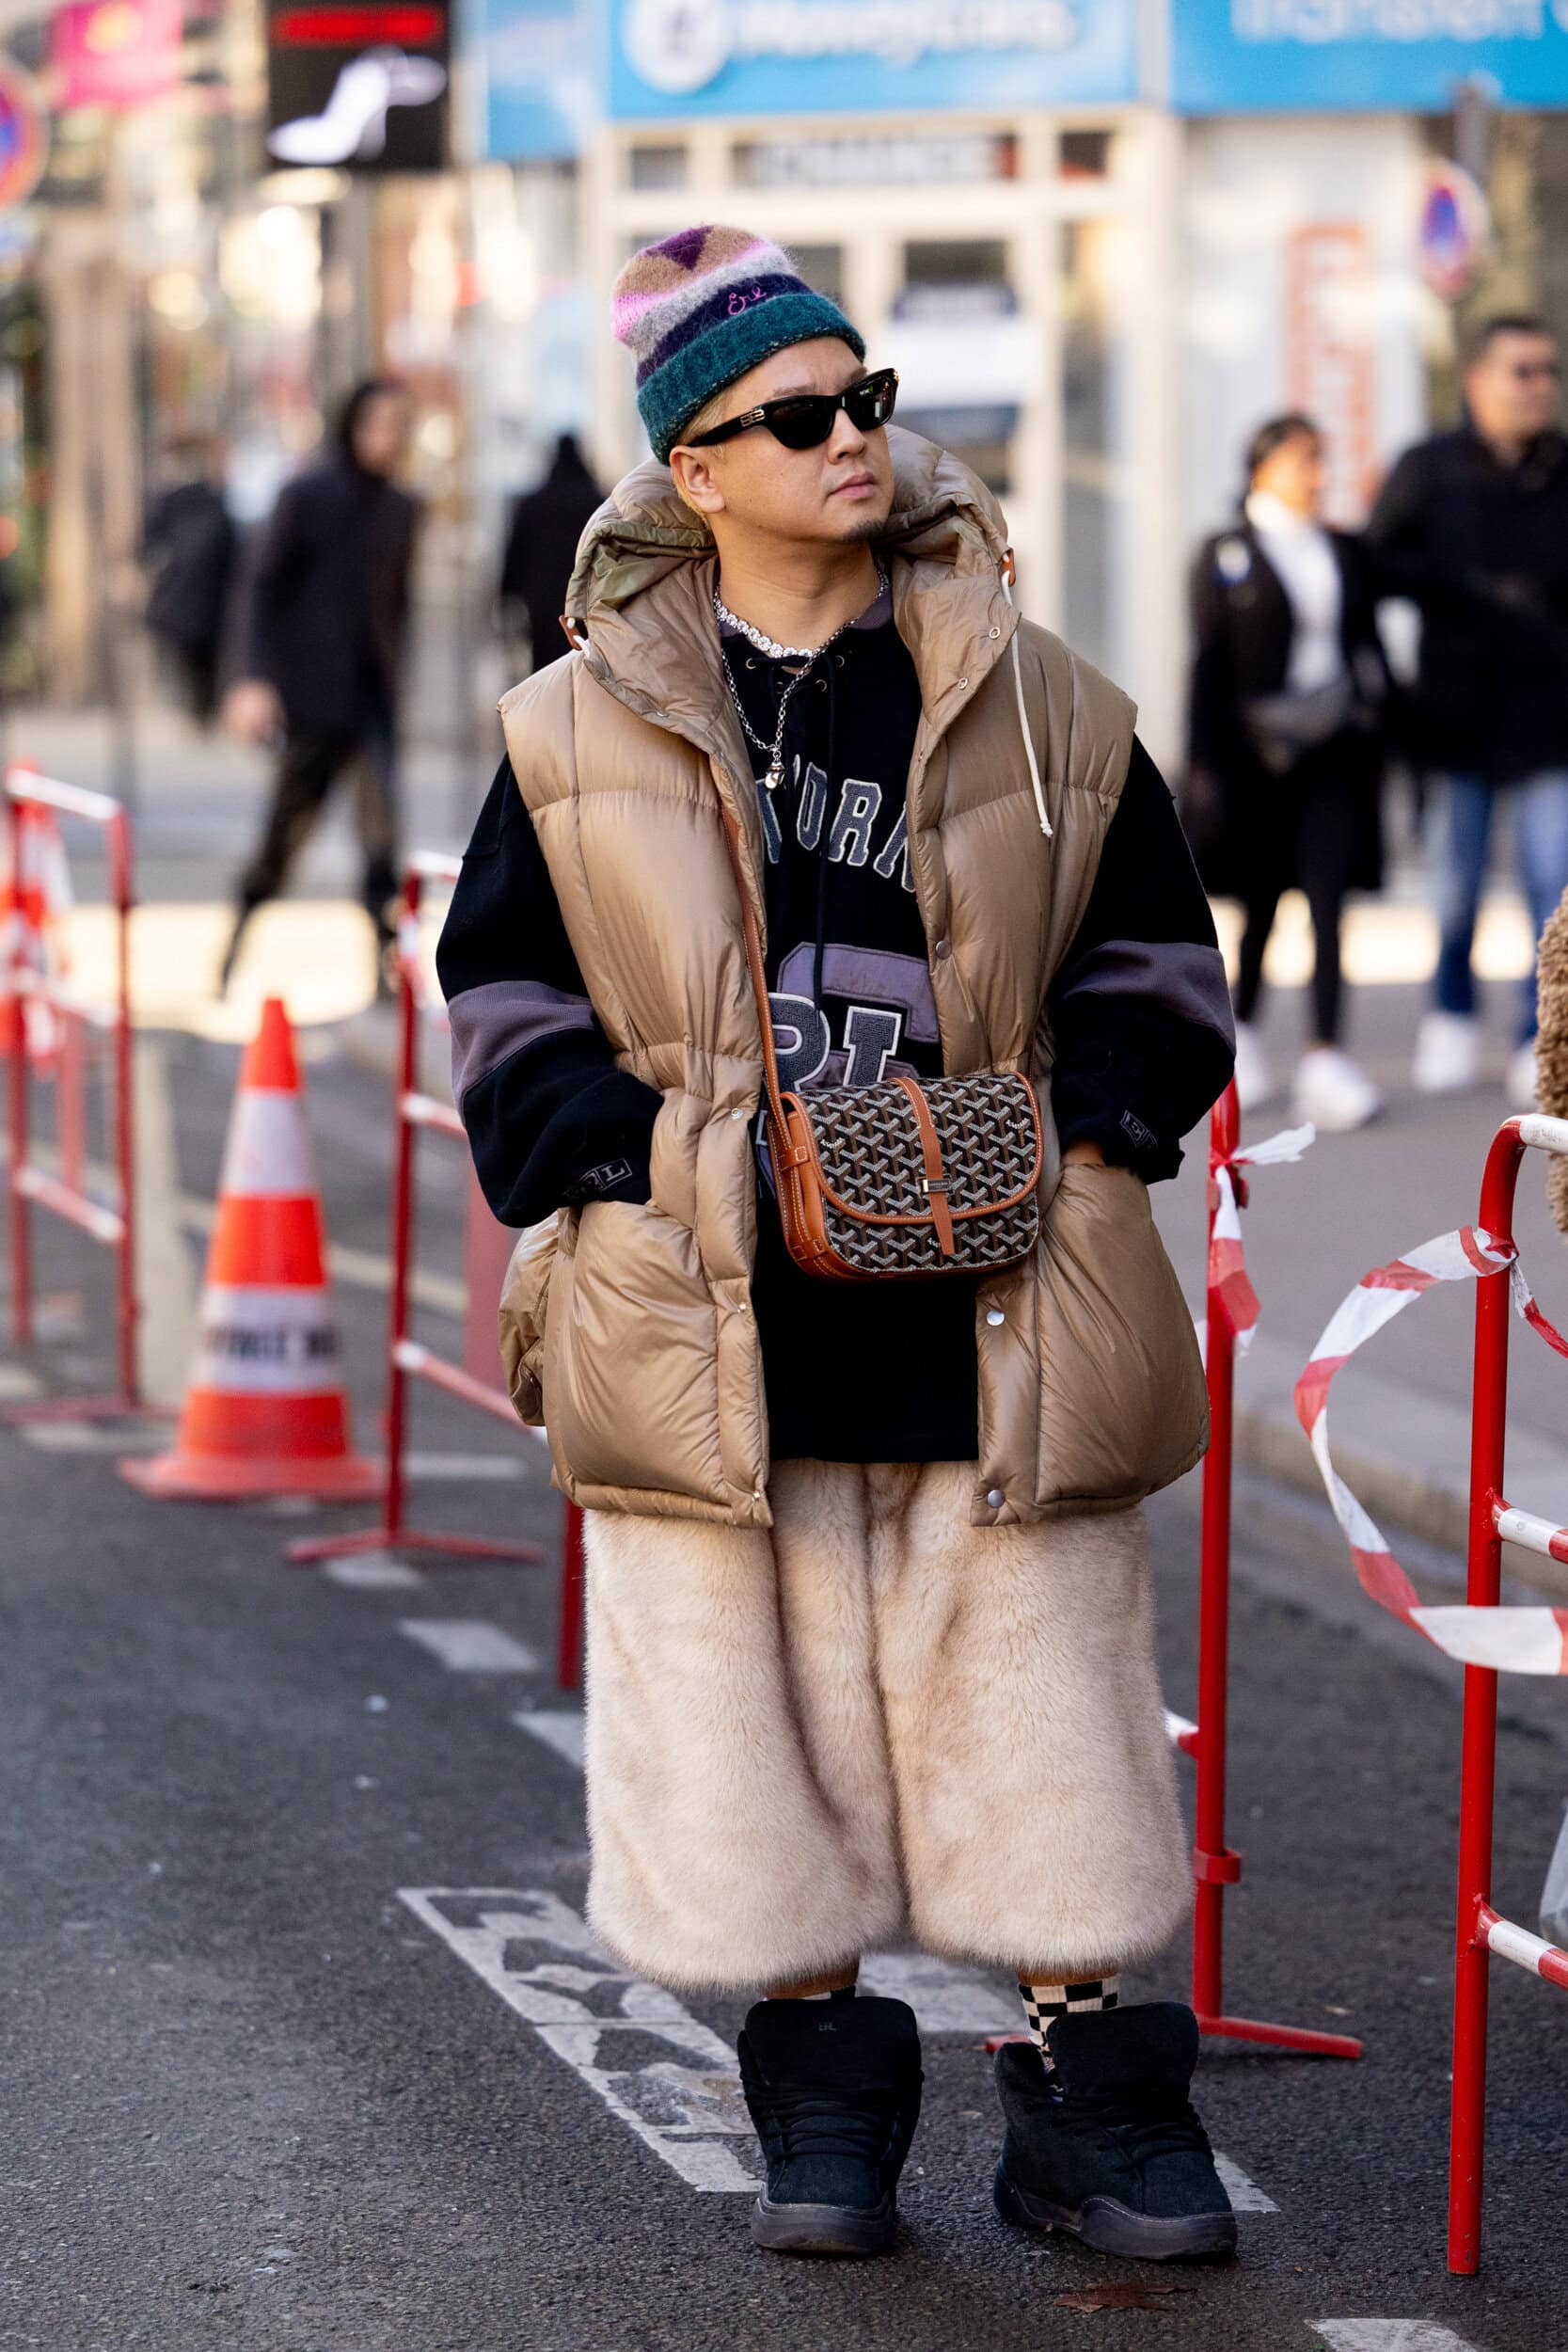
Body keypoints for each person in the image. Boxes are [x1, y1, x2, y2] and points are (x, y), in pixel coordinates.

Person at [438, 227, 1238, 2265]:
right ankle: (818, 2082)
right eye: (796, 416)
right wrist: (616, 1151)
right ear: (690, 468)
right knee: (747, 1712)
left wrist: (1080, 1125)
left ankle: (1086, 2093)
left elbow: (1153, 956)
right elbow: (502, 993)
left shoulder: (1037, 695)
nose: (849, 439)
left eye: (863, 397)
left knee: (1042, 1691)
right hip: (710, 1296)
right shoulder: (564, 725)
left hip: (991, 1286)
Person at [1368, 314, 1568, 1105]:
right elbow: (1378, 561)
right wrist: (1458, 582)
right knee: (1453, 890)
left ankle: (1536, 1036)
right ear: (1478, 382)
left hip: (1551, 718)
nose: (1538, 387)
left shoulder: (1561, 470)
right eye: (1522, 371)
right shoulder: (1428, 468)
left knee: (1550, 889)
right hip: (1455, 719)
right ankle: (1449, 1015)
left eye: (1547, 372)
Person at [1186, 413, 1389, 1130]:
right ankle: (1240, 1037)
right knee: (1261, 899)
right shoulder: (1224, 551)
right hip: (1254, 757)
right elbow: (1208, 663)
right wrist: (1203, 762)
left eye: (1319, 459)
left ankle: (1326, 1052)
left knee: (1329, 898)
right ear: (1261, 466)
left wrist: (1378, 713)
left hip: (1332, 746)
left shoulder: (1340, 548)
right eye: (1303, 460)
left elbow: (1365, 643)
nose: (1316, 475)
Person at [218, 378, 418, 994]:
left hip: (373, 702)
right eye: (376, 425)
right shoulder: (306, 495)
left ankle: (385, 971)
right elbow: (259, 587)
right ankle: (237, 939)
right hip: (310, 699)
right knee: (284, 836)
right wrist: (251, 679)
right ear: (351, 425)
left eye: (396, 427)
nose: (386, 439)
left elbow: (398, 605)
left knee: (381, 839)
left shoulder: (403, 507)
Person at [139, 434, 237, 725]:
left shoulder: (199, 502)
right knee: (196, 657)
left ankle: (201, 708)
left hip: (192, 599)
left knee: (196, 657)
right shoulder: (200, 502)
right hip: (196, 599)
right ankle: (201, 708)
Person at [498, 431, 602, 675]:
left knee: (545, 673)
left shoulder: (532, 504)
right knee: (586, 671)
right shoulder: (597, 504)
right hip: (586, 607)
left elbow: (515, 555)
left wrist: (505, 595)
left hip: (542, 607)